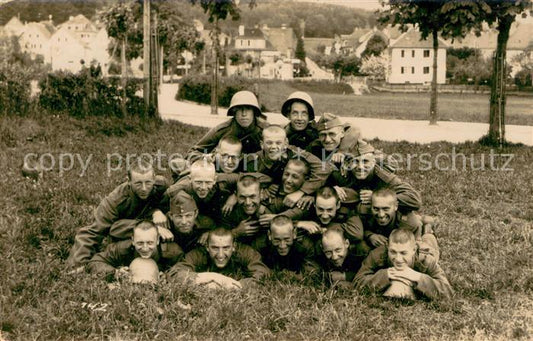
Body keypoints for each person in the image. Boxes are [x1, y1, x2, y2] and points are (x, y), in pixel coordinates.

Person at [66, 160, 170, 270]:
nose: (144, 188)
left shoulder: (161, 185)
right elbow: (92, 232)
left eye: (148, 183)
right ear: (129, 181)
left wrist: (157, 211)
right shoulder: (115, 200)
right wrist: (77, 265)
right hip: (123, 235)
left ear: (154, 179)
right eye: (138, 183)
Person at [243, 125, 332, 209]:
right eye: (269, 143)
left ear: (286, 143)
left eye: (278, 143)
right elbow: (243, 180)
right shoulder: (252, 161)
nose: (273, 147)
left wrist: (301, 192)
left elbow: (324, 169)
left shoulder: (296, 154)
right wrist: (260, 189)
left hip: (292, 198)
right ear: (262, 144)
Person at [354, 229, 452, 300]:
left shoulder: (426, 260)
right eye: (393, 252)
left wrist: (417, 277)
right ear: (387, 247)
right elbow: (357, 282)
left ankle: (428, 230)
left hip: (427, 248)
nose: (398, 259)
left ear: (413, 250)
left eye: (403, 253)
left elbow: (448, 292)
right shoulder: (377, 255)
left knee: (428, 239)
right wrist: (385, 275)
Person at [329, 141, 422, 216]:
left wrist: (378, 198)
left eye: (365, 161)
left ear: (374, 162)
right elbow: (319, 186)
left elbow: (414, 200)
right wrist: (332, 189)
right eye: (355, 161)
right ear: (348, 163)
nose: (360, 167)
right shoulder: (343, 174)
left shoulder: (383, 176)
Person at [167, 228, 270, 288]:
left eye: (226, 248)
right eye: (215, 248)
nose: (220, 255)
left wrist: (235, 286)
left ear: (234, 246)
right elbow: (175, 274)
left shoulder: (246, 252)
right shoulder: (198, 254)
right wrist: (211, 277)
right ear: (207, 247)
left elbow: (263, 275)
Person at [187, 91, 268, 163]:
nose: (244, 114)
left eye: (248, 109)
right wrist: (210, 158)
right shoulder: (222, 130)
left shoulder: (265, 130)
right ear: (234, 112)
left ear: (254, 111)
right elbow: (192, 153)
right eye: (239, 109)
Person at [86, 221, 182, 277]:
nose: (145, 248)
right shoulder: (121, 249)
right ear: (133, 240)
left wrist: (167, 276)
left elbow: (182, 270)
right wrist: (115, 272)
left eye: (150, 243)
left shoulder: (173, 252)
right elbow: (94, 262)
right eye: (140, 243)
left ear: (157, 240)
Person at [296, 187, 369, 257]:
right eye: (320, 209)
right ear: (314, 204)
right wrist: (299, 223)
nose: (325, 215)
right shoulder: (306, 208)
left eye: (329, 210)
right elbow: (285, 219)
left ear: (338, 205)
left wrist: (323, 229)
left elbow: (357, 234)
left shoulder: (347, 210)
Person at [252, 215, 320, 275]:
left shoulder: (305, 245)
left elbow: (312, 273)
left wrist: (287, 275)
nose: (282, 246)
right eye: (277, 240)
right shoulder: (260, 245)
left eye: (287, 239)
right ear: (269, 235)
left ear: (294, 234)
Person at [220, 175, 272, 245]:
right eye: (242, 197)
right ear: (236, 195)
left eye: (252, 196)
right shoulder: (229, 211)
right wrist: (236, 232)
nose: (248, 202)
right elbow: (220, 239)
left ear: (261, 194)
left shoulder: (267, 214)